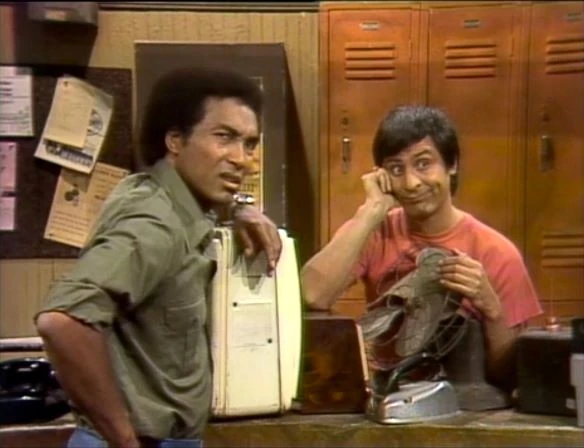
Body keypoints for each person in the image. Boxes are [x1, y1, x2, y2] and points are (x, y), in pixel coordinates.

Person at [34, 67, 282, 448]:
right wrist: (124, 439)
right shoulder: (155, 222)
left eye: (249, 144)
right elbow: (63, 321)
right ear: (175, 140)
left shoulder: (170, 198)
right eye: (224, 137)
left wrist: (240, 207)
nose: (241, 159)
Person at [301, 105, 542, 391]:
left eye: (423, 164)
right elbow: (312, 294)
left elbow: (509, 375)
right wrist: (370, 212)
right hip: (389, 396)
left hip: (465, 404)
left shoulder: (497, 253)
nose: (411, 183)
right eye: (396, 169)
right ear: (381, 176)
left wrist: (491, 308)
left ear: (451, 164)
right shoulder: (374, 232)